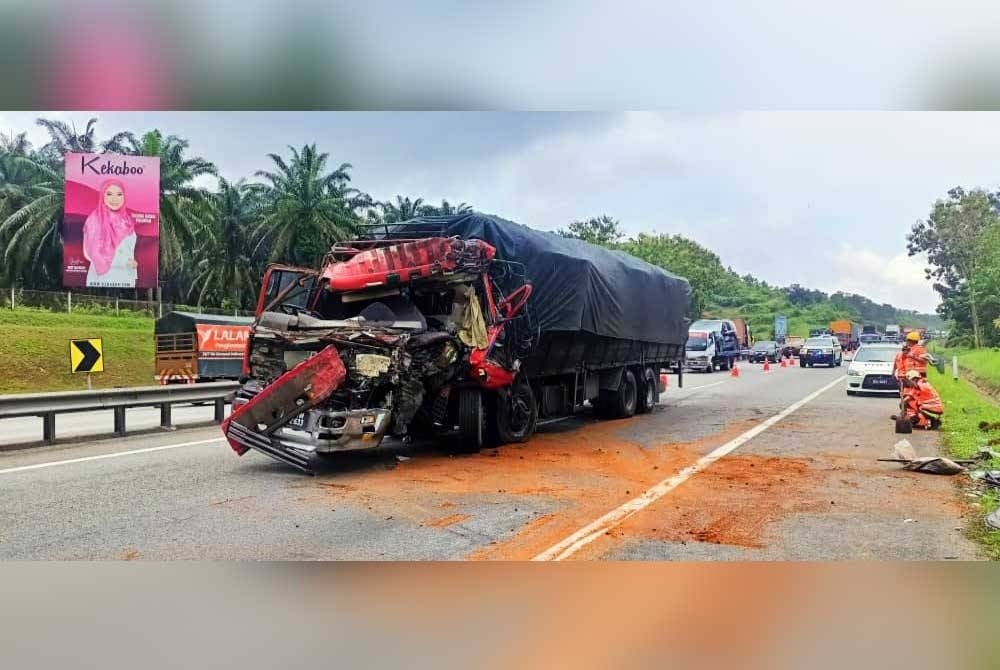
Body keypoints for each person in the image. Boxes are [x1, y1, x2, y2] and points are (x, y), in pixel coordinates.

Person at [83, 179, 138, 288]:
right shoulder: (95, 219)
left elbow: (128, 251)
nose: (114, 199)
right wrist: (122, 262)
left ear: (124, 196)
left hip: (126, 277)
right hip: (104, 278)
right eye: (109, 194)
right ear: (102, 196)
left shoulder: (126, 220)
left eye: (119, 194)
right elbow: (91, 253)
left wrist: (134, 265)